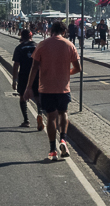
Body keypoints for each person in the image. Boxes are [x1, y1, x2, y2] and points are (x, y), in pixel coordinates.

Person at [23, 21, 81, 161]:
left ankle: (52, 150)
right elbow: (78, 68)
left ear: (50, 31)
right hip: (63, 87)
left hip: (46, 88)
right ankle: (63, 140)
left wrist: (28, 87)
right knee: (64, 113)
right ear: (64, 32)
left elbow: (34, 68)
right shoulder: (69, 45)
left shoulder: (42, 44)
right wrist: (67, 72)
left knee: (51, 117)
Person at [11, 29, 41, 129]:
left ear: (21, 36)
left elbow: (16, 65)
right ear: (31, 36)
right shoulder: (37, 46)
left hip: (24, 75)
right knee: (37, 96)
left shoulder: (19, 48)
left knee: (22, 97)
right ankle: (40, 114)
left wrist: (14, 79)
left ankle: (26, 120)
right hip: (37, 74)